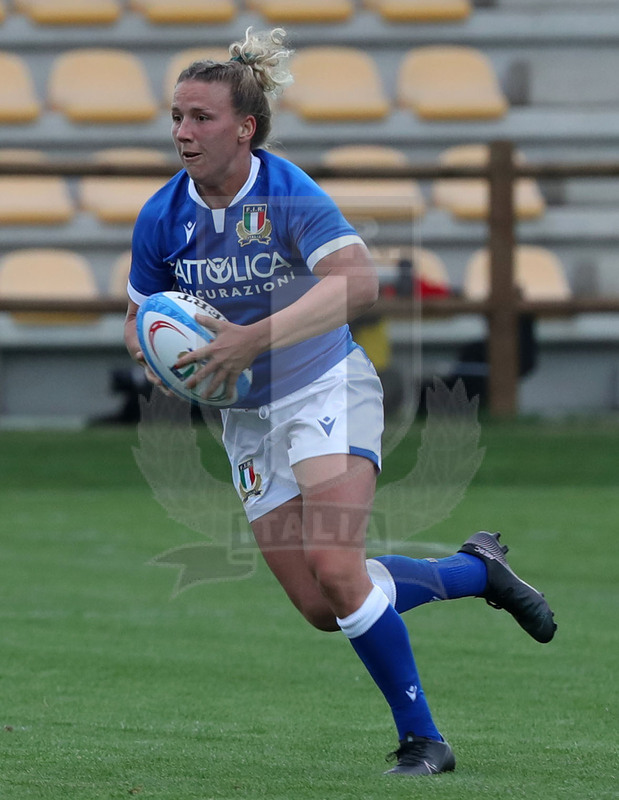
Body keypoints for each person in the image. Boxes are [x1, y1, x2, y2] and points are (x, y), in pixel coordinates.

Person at [123, 27, 557, 776]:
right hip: (245, 418)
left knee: (336, 561)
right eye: (177, 116)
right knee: (324, 607)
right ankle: (475, 571)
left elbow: (358, 284)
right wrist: (163, 362)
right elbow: (138, 318)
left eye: (200, 118)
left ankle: (425, 741)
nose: (182, 132)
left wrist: (247, 341)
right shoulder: (161, 215)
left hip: (324, 387)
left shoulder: (288, 191)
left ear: (244, 127)